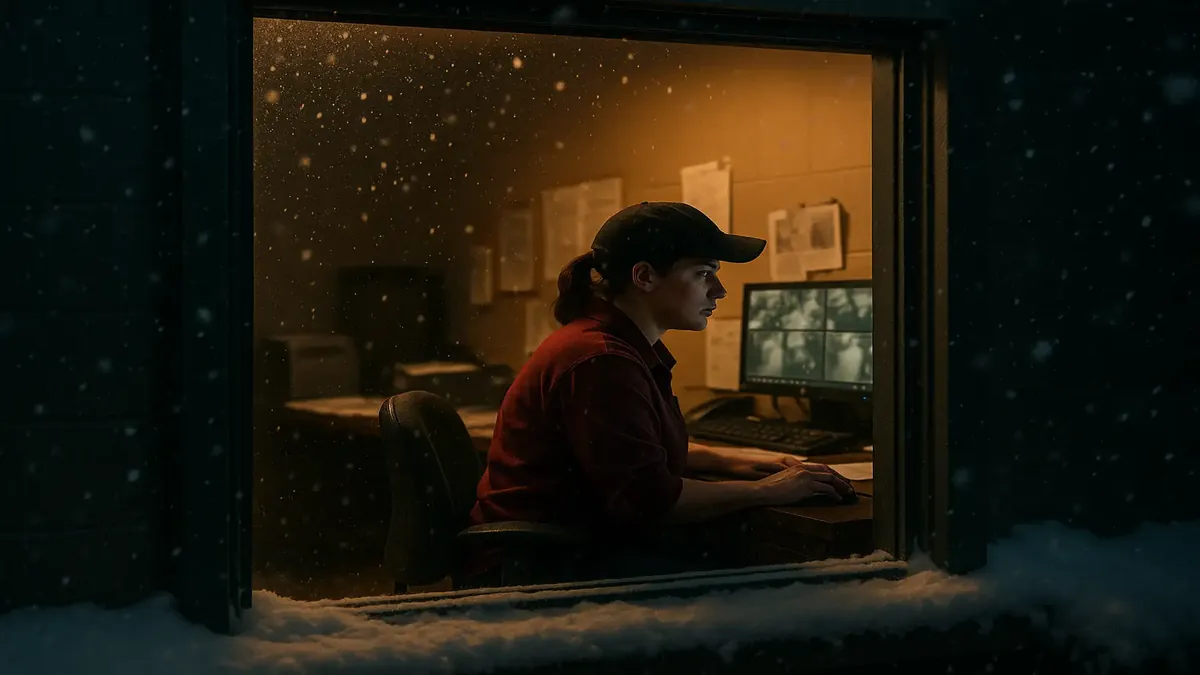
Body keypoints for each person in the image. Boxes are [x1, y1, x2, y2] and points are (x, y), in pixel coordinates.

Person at [468, 202, 855, 581]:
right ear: (645, 277)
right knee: (796, 581)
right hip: (546, 568)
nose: (719, 291)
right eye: (703, 273)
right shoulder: (599, 361)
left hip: (570, 550)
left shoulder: (613, 347)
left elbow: (629, 452)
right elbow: (651, 502)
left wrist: (728, 461)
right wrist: (766, 491)